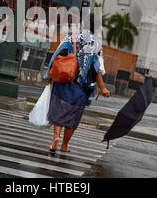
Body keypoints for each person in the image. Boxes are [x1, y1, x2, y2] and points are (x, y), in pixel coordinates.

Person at [44, 15, 110, 153]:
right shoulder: (95, 44)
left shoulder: (70, 37)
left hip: (63, 81)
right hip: (81, 87)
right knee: (73, 116)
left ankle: (56, 138)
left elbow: (56, 55)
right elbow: (97, 68)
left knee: (59, 112)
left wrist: (48, 76)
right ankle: (64, 145)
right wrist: (102, 88)